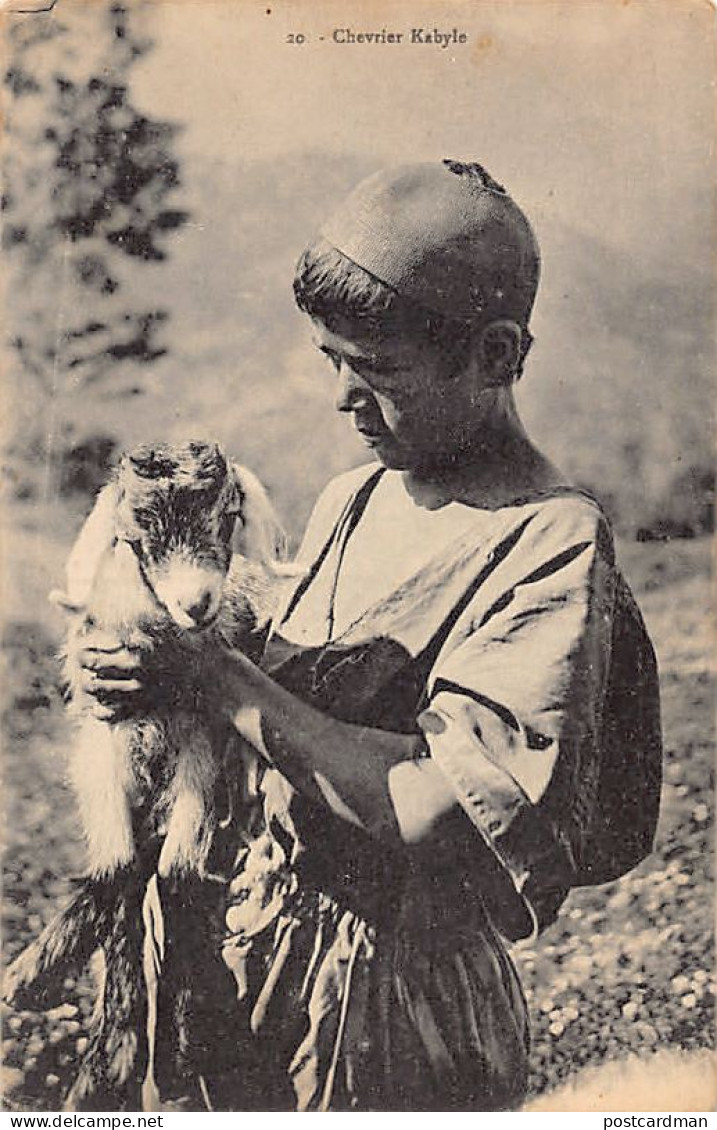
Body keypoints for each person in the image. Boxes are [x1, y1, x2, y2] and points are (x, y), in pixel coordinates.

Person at [79, 160, 662, 1112]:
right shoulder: (356, 497)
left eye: (379, 370)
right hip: (261, 959)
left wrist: (221, 679)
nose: (344, 400)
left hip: (394, 1013)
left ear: (497, 354)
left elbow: (440, 812)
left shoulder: (547, 542)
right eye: (332, 361)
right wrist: (156, 673)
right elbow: (288, 700)